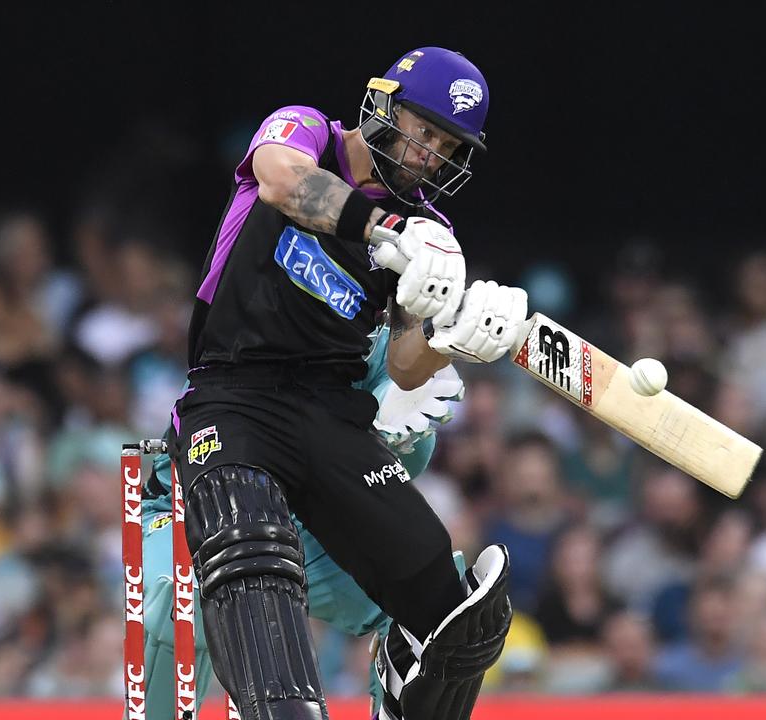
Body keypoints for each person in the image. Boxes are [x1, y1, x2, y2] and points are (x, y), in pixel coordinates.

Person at [167, 47, 528, 720]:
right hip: (234, 395)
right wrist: (381, 229)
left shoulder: (431, 230)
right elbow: (280, 180)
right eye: (426, 131)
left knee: (457, 621)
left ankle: (399, 682)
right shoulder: (307, 131)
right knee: (251, 555)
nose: (432, 156)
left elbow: (403, 365)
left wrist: (452, 340)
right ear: (385, 105)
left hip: (332, 417)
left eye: (449, 147)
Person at [141, 327, 461, 719]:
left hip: (300, 525)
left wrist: (398, 439)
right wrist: (365, 427)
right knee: (184, 597)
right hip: (189, 513)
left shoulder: (383, 343)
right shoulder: (270, 322)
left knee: (439, 607)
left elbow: (390, 481)